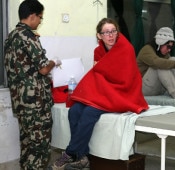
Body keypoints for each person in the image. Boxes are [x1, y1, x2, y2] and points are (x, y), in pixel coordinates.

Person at [48, 18, 149, 169]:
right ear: (99, 36)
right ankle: (82, 156)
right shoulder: (98, 51)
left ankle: (70, 153)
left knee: (89, 112)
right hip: (104, 92)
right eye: (106, 32)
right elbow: (98, 77)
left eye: (113, 31)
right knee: (74, 111)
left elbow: (125, 78)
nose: (111, 35)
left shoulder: (126, 48)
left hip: (122, 93)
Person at [4, 0, 62, 169]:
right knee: (40, 147)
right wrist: (53, 62)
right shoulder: (28, 36)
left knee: (27, 143)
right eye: (40, 18)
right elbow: (43, 69)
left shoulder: (11, 36)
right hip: (35, 103)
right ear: (32, 16)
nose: (40, 22)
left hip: (20, 101)